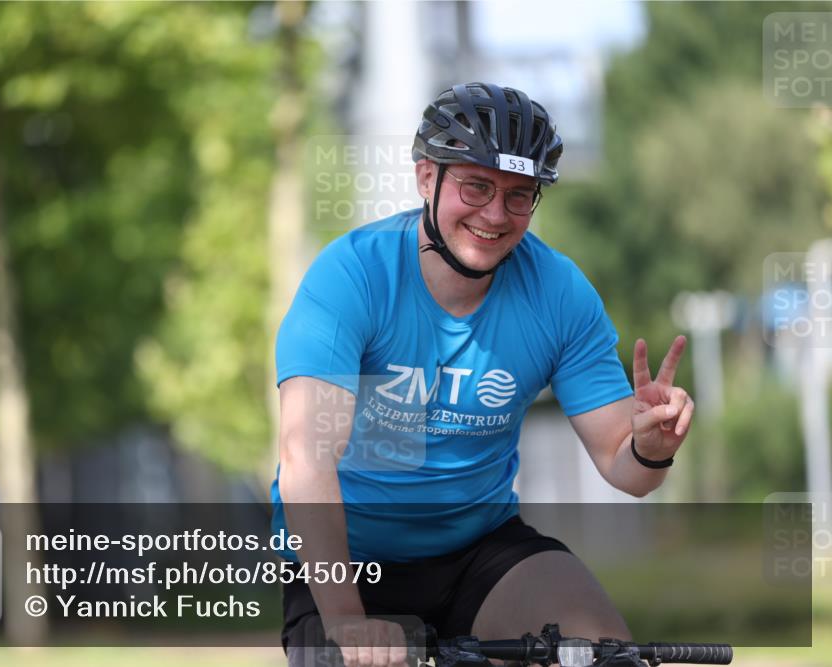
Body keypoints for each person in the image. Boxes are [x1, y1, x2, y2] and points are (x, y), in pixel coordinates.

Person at [270, 82, 694, 667]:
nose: (495, 215)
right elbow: (305, 461)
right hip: (346, 559)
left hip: (479, 551)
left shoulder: (560, 294)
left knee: (605, 654)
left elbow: (628, 469)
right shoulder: (351, 277)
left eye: (520, 196)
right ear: (427, 178)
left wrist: (649, 447)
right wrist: (345, 619)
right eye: (477, 186)